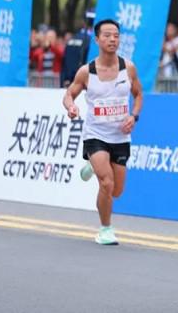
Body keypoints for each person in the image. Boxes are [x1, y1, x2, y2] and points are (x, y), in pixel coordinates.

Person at [62, 19, 143, 245]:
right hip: (95, 135)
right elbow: (69, 95)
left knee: (116, 191)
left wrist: (133, 116)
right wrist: (71, 107)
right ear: (97, 39)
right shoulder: (86, 72)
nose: (112, 39)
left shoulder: (128, 68)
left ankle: (93, 165)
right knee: (106, 183)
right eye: (107, 35)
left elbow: (138, 95)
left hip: (120, 136)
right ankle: (105, 229)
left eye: (116, 35)